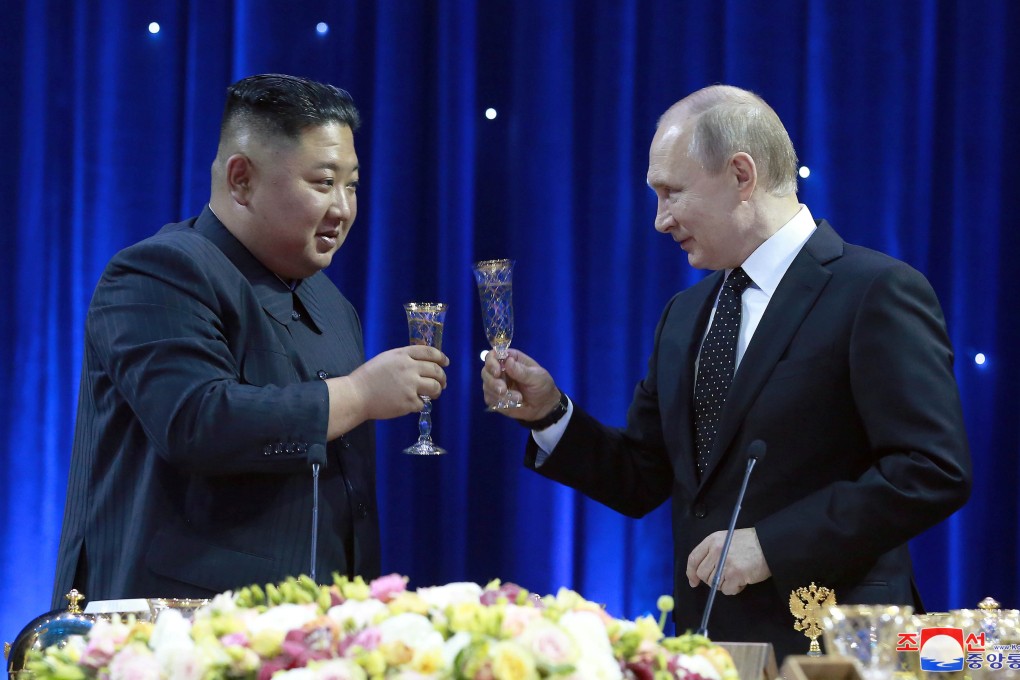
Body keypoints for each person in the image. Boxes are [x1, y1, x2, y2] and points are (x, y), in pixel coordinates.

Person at [480, 84, 971, 661]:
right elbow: (642, 476)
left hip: (839, 647)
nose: (661, 220)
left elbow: (931, 470)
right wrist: (550, 415)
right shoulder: (685, 313)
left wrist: (771, 546)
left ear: (742, 175)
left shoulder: (875, 291)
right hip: (709, 652)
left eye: (672, 193)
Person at [52, 74, 449, 607]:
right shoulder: (160, 270)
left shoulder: (332, 304)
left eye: (352, 184)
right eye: (323, 182)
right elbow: (196, 421)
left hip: (311, 629)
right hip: (175, 631)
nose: (343, 209)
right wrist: (357, 396)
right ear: (241, 179)